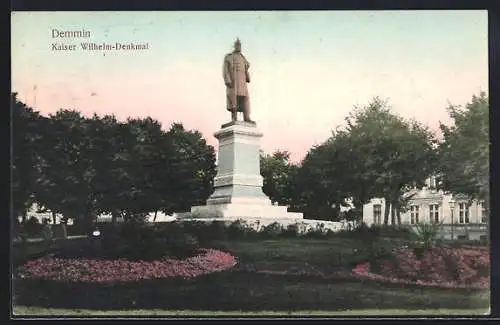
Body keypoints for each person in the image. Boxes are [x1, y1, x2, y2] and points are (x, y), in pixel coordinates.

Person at [223, 38, 254, 123]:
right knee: (233, 99)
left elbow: (247, 66)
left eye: (239, 45)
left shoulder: (243, 58)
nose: (238, 47)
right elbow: (225, 69)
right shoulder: (229, 56)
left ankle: (246, 117)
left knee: (245, 99)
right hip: (234, 81)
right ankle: (234, 117)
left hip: (242, 81)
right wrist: (227, 80)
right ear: (234, 46)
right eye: (237, 45)